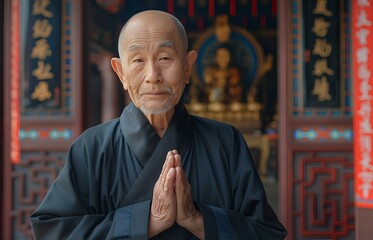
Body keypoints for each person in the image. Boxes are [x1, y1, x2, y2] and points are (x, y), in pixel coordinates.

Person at [30, 10, 287, 239]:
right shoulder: (92, 147)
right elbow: (53, 230)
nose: (153, 76)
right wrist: (148, 222)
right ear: (121, 72)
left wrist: (198, 220)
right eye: (138, 60)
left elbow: (266, 232)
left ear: (188, 67)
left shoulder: (225, 142)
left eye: (165, 58)